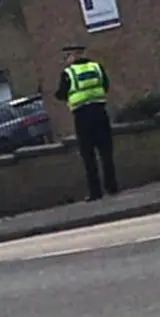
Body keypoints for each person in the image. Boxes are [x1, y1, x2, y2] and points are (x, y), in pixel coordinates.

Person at [54, 45, 119, 202]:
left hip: (82, 116)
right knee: (106, 153)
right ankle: (112, 187)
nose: (66, 60)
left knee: (88, 156)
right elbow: (106, 86)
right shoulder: (97, 67)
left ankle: (95, 192)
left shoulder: (68, 73)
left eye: (67, 56)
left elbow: (61, 93)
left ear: (73, 56)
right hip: (100, 113)